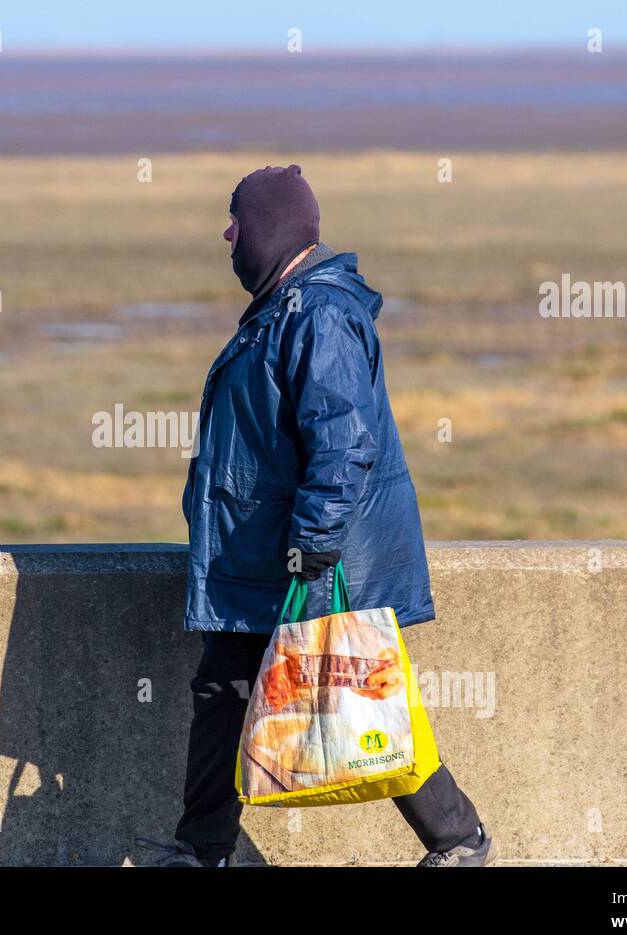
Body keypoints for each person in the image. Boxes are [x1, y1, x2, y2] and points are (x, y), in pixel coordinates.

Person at [136, 165, 495, 868]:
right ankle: (205, 849)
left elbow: (343, 441)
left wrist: (314, 548)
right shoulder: (287, 306)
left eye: (235, 219)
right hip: (261, 557)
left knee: (363, 695)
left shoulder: (317, 314)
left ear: (270, 227)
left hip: (302, 560)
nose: (227, 232)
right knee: (223, 692)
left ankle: (460, 838)